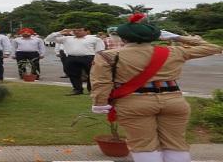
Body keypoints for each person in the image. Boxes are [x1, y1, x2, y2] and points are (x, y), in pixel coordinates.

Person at [90, 14, 223, 162]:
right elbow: (213, 48)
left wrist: (100, 104)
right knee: (176, 144)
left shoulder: (108, 56)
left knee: (143, 145)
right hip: (173, 101)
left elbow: (101, 83)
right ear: (155, 37)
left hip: (134, 102)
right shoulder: (174, 51)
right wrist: (178, 38)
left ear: (123, 38)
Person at [46, 27, 105, 95]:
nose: (76, 32)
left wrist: (97, 59)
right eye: (74, 30)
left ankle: (91, 89)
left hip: (88, 58)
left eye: (79, 30)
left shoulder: (94, 39)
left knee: (91, 74)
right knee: (73, 74)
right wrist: (60, 32)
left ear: (86, 31)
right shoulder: (67, 38)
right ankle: (77, 89)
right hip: (72, 58)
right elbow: (48, 39)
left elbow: (100, 50)